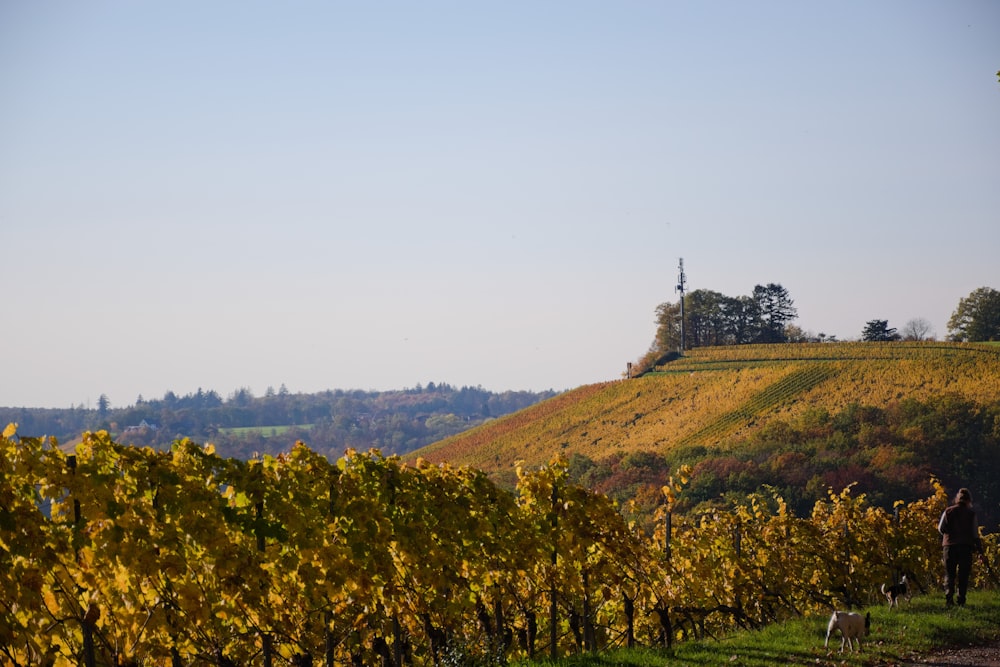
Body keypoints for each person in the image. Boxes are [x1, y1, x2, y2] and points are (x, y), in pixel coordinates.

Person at [938, 487, 983, 607]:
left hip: (949, 547)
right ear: (969, 500)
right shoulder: (971, 514)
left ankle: (949, 599)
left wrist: (949, 536)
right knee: (963, 575)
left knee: (949, 573)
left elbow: (941, 528)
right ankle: (961, 599)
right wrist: (980, 551)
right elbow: (975, 534)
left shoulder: (948, 511)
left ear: (957, 499)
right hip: (965, 547)